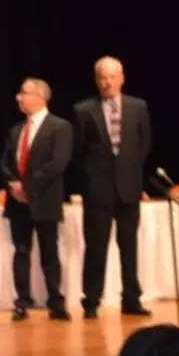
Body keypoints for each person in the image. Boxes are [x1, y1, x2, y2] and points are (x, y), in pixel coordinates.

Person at [72, 57, 151, 318]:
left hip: (128, 188)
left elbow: (143, 145)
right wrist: (90, 182)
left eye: (111, 76)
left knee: (129, 247)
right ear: (96, 80)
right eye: (102, 77)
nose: (107, 82)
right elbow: (79, 151)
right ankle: (92, 301)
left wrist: (133, 177)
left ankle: (131, 299)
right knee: (96, 247)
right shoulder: (84, 110)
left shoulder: (138, 107)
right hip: (98, 191)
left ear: (122, 78)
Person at [0, 78, 72, 322]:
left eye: (24, 93)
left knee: (49, 252)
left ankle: (55, 301)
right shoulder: (16, 130)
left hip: (44, 200)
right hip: (17, 202)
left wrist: (27, 188)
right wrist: (13, 184)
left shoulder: (59, 127)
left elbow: (56, 165)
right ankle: (22, 301)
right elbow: (5, 163)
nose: (18, 98)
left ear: (39, 97)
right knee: (21, 252)